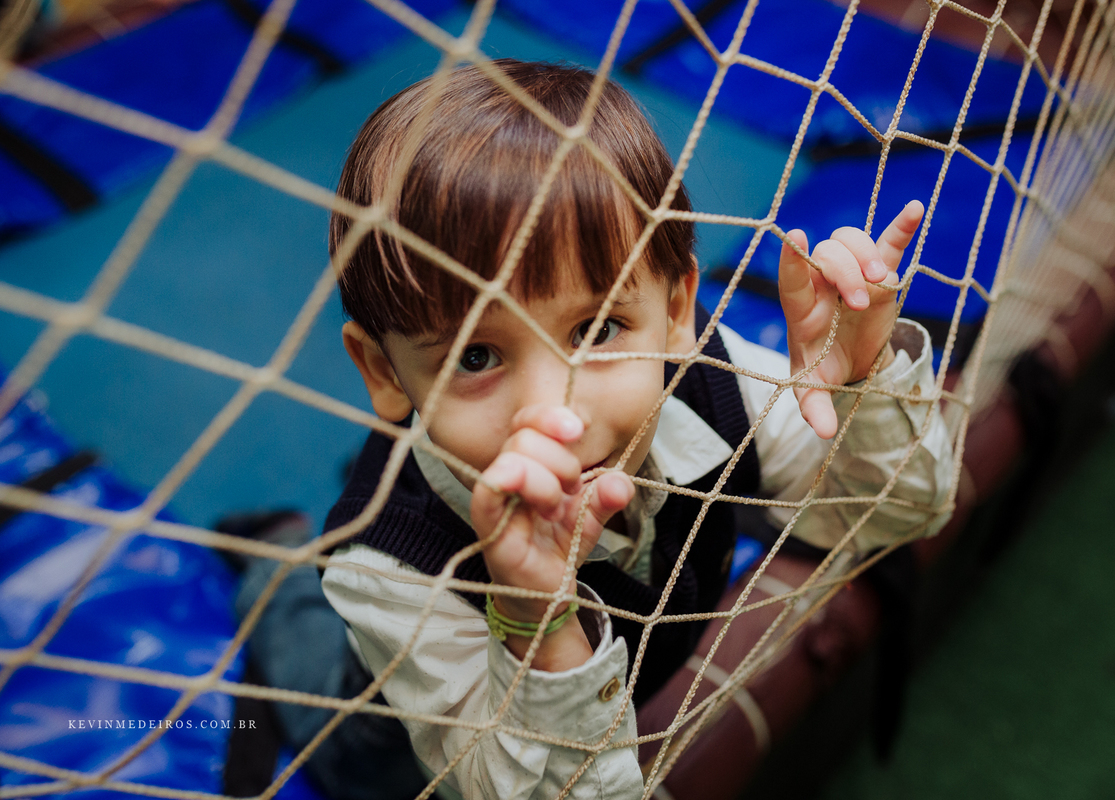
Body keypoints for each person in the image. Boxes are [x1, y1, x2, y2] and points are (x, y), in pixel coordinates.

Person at [319, 59, 953, 800]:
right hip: (396, 746)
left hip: (618, 696)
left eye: (597, 327)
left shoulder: (713, 381)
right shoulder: (389, 571)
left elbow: (905, 509)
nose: (554, 411)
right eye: (477, 356)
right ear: (384, 373)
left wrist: (862, 378)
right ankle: (272, 552)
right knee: (312, 687)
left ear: (679, 309)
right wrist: (533, 623)